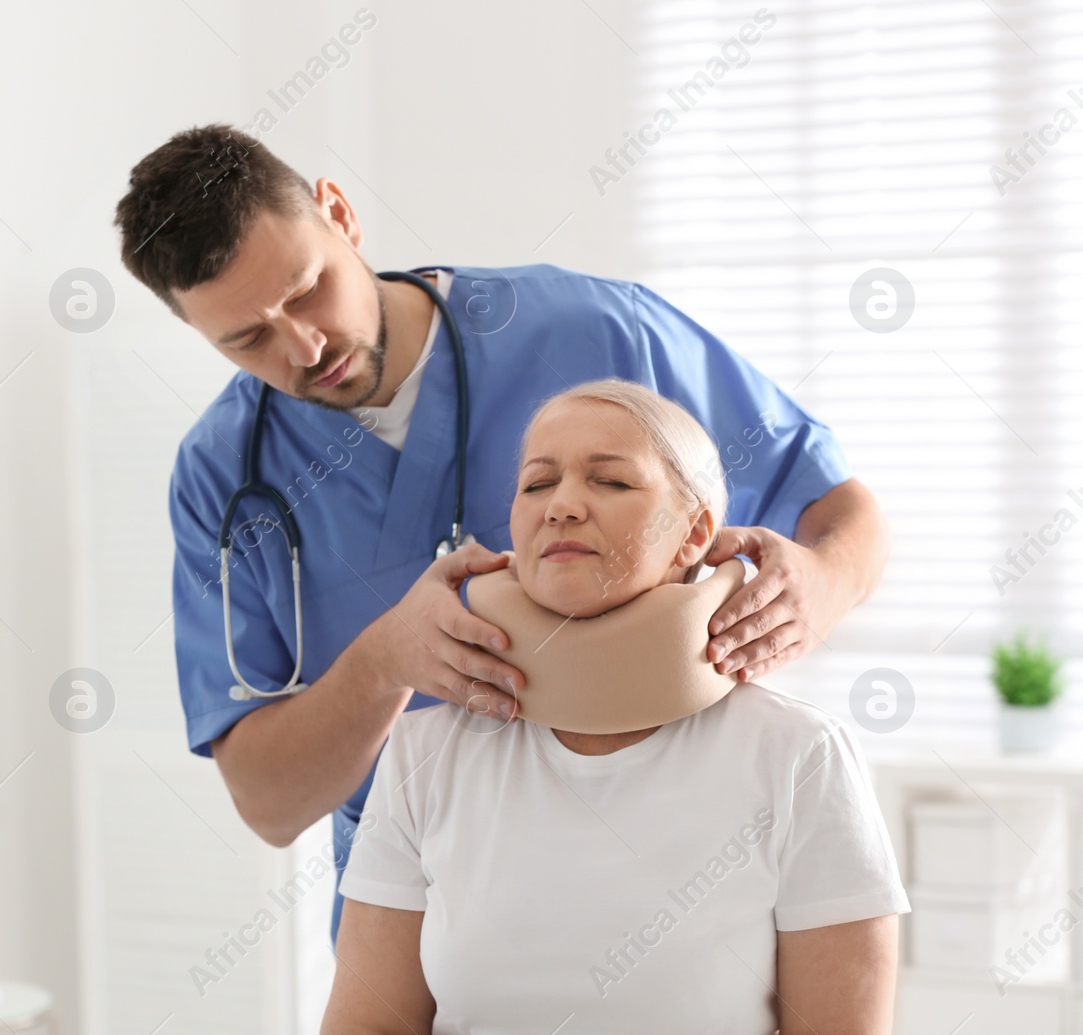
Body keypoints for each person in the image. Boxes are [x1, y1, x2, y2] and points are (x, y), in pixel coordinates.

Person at [111, 123, 889, 942]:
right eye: (248, 338)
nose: (304, 346)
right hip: (419, 924)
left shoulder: (594, 330)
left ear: (339, 213)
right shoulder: (223, 474)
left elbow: (841, 510)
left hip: (674, 883)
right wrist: (383, 662)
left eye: (307, 290)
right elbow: (270, 803)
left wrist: (824, 583)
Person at [322, 379, 908, 1034]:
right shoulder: (424, 753)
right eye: (538, 484)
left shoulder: (799, 756)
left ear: (694, 533)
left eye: (611, 482)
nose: (562, 505)